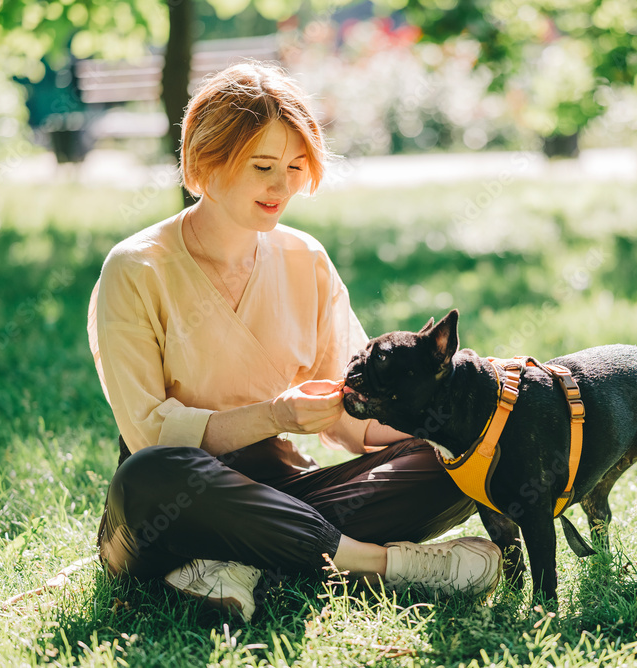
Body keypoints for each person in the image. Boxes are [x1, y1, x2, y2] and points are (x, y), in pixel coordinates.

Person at [87, 62, 501, 622]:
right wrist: (276, 414)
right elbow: (150, 433)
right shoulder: (136, 269)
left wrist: (472, 418)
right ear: (206, 162)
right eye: (263, 167)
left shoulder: (305, 259)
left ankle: (243, 562)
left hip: (289, 494)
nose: (282, 187)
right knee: (148, 475)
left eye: (294, 166)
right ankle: (383, 566)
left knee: (458, 454)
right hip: (177, 503)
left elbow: (354, 420)